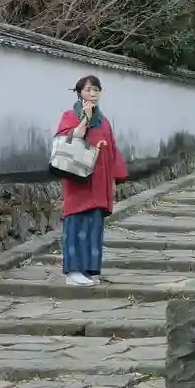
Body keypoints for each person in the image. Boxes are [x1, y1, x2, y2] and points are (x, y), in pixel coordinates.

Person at [55, 75, 127, 287]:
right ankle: (73, 271)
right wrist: (85, 119)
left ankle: (88, 269)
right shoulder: (70, 115)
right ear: (79, 93)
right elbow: (69, 138)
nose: (93, 94)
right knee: (76, 222)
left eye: (96, 90)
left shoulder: (103, 120)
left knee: (94, 224)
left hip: (100, 179)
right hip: (79, 179)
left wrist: (112, 180)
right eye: (88, 90)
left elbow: (112, 150)